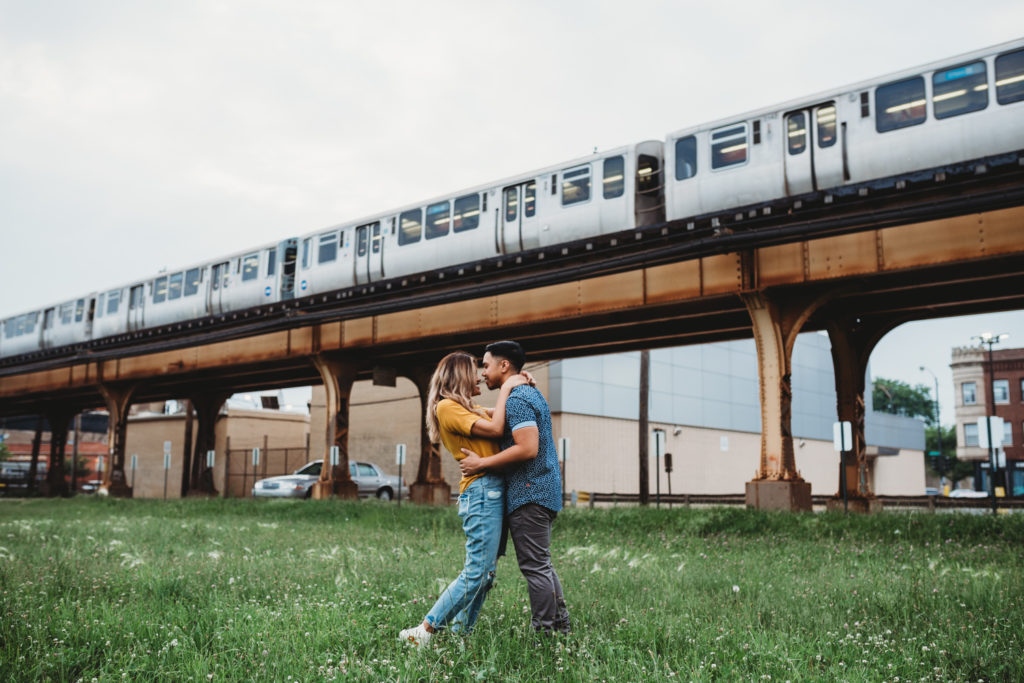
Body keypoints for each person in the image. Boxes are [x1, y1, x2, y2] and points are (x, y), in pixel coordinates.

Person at [399, 351, 528, 648]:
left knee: (487, 574)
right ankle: (425, 630)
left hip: (490, 490)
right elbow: (497, 429)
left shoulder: (469, 409)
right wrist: (510, 385)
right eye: (476, 370)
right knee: (478, 571)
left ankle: (460, 636)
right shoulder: (446, 407)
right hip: (481, 492)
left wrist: (520, 383)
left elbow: (502, 418)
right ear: (459, 376)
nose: (482, 374)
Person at [459, 340, 571, 635]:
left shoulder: (518, 398)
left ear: (504, 365)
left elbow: (527, 448)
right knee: (541, 565)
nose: (483, 373)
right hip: (536, 491)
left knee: (535, 568)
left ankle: (545, 634)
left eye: (485, 365)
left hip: (530, 492)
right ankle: (560, 628)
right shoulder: (523, 392)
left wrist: (481, 464)